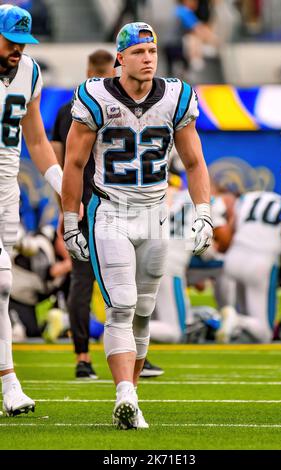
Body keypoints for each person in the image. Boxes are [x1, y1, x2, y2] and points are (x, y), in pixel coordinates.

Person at [62, 22, 213, 429]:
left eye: (152, 52)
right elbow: (74, 164)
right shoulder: (95, 97)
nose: (148, 59)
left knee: (144, 311)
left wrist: (204, 212)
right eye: (139, 52)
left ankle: (133, 399)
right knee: (123, 304)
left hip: (154, 213)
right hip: (109, 210)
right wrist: (69, 218)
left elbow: (195, 161)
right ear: (120, 59)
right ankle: (123, 393)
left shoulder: (177, 96)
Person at [52, 49, 162, 379]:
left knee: (129, 290)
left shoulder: (135, 101)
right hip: (96, 205)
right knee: (88, 282)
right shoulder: (78, 106)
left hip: (118, 204)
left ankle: (121, 355)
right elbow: (65, 162)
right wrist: (68, 207)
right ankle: (84, 356)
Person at [0, 4, 63, 416]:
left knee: (0, 292)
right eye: (11, 41)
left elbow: (37, 138)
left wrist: (62, 185)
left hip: (7, 190)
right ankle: (10, 384)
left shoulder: (30, 71)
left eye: (24, 43)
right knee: (1, 282)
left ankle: (9, 388)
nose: (18, 50)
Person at [217, 191, 281, 343]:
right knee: (265, 333)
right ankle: (238, 321)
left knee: (246, 312)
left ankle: (234, 322)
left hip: (234, 257)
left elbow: (231, 229)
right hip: (261, 261)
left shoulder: (246, 198)